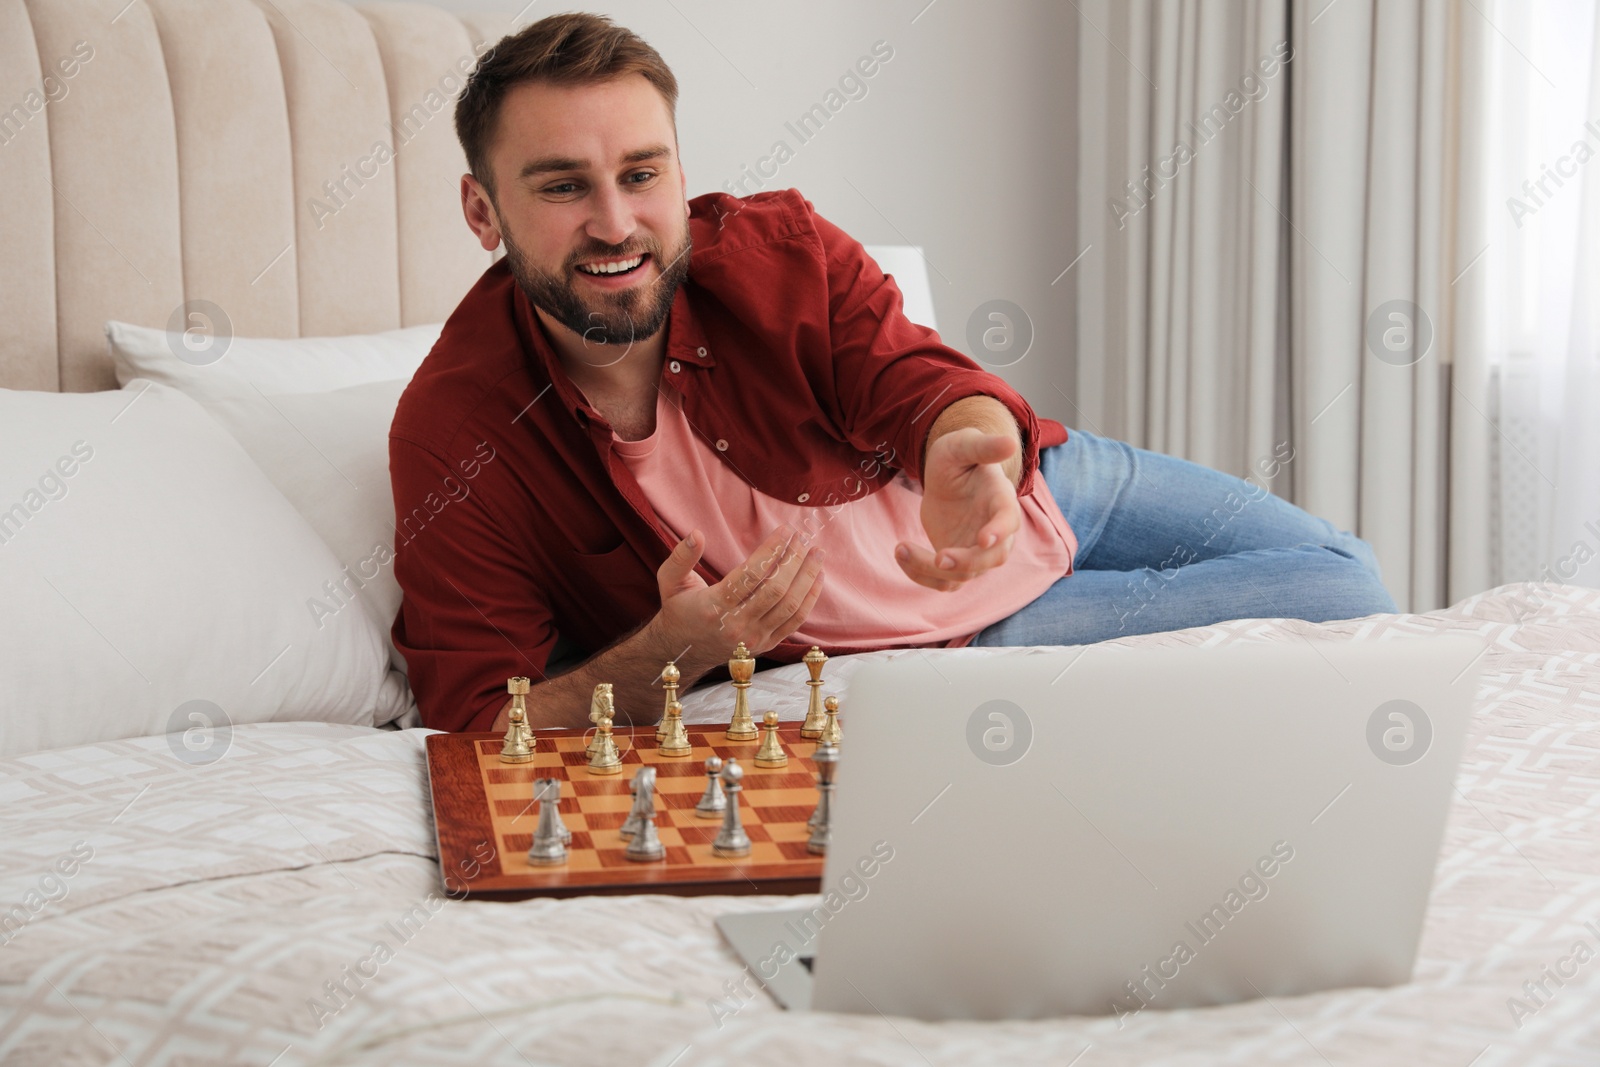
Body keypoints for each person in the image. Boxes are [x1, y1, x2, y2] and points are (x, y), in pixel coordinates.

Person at [389, 13, 1395, 734]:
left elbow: (914, 377)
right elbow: (480, 712)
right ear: (483, 213)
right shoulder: (458, 428)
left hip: (1050, 483)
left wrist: (970, 446)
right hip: (963, 625)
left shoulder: (774, 248)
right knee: (1338, 597)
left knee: (1350, 574)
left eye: (642, 174)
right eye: (564, 186)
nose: (615, 222)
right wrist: (675, 650)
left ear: (678, 175)